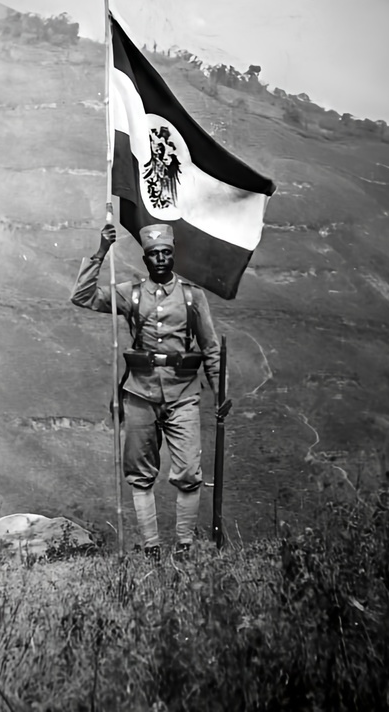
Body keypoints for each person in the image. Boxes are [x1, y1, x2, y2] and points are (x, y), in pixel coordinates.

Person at [70, 222, 221, 558]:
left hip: (183, 394)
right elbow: (82, 296)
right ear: (145, 259)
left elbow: (211, 348)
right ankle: (150, 547)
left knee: (188, 471)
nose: (161, 258)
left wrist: (220, 392)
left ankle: (185, 546)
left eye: (166, 252)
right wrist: (101, 252)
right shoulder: (132, 293)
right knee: (139, 473)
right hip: (140, 393)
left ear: (173, 255)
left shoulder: (192, 296)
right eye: (154, 254)